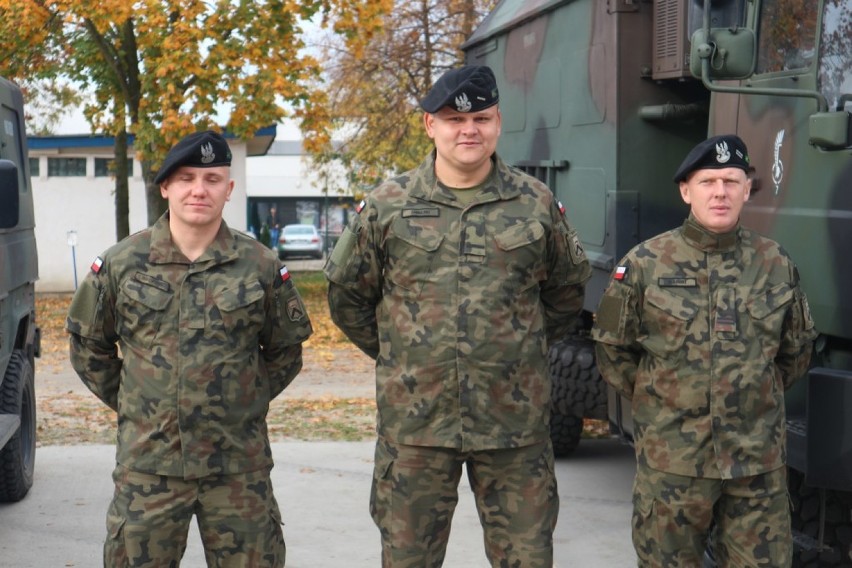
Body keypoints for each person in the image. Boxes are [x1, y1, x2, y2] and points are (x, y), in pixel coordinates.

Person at [324, 65, 591, 567]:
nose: (468, 130)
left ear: (497, 122)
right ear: (430, 126)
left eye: (481, 118)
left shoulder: (534, 204)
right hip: (417, 425)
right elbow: (347, 296)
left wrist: (517, 349)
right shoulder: (388, 205)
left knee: (528, 558)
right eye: (453, 119)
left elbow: (567, 289)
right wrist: (402, 353)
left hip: (513, 426)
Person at [66, 130, 313, 567]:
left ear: (229, 188)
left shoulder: (260, 265)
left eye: (212, 179)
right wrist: (139, 403)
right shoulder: (122, 263)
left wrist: (242, 398)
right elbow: (89, 346)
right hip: (149, 465)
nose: (199, 190)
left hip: (238, 465)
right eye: (185, 178)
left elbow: (285, 352)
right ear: (165, 186)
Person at [591, 134, 817, 567]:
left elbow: (795, 351)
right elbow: (613, 351)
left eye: (732, 181)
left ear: (747, 189)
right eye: (708, 181)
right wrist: (663, 400)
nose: (720, 192)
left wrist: (750, 397)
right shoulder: (645, 264)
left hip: (756, 464)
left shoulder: (775, 264)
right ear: (685, 190)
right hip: (673, 462)